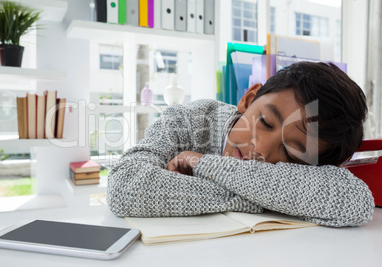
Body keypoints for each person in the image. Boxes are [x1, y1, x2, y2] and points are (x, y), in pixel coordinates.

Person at [107, 61, 374, 227]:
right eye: (266, 122)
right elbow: (124, 187)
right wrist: (269, 197)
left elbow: (356, 202)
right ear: (248, 99)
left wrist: (205, 164)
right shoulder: (189, 119)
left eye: (291, 154)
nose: (261, 148)